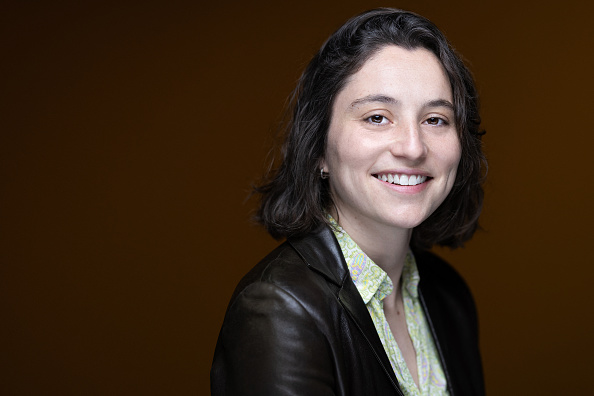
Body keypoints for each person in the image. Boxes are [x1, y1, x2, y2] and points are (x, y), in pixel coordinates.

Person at [211, 8, 486, 396]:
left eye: (436, 119)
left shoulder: (448, 296)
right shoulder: (279, 309)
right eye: (377, 117)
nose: (412, 147)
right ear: (319, 147)